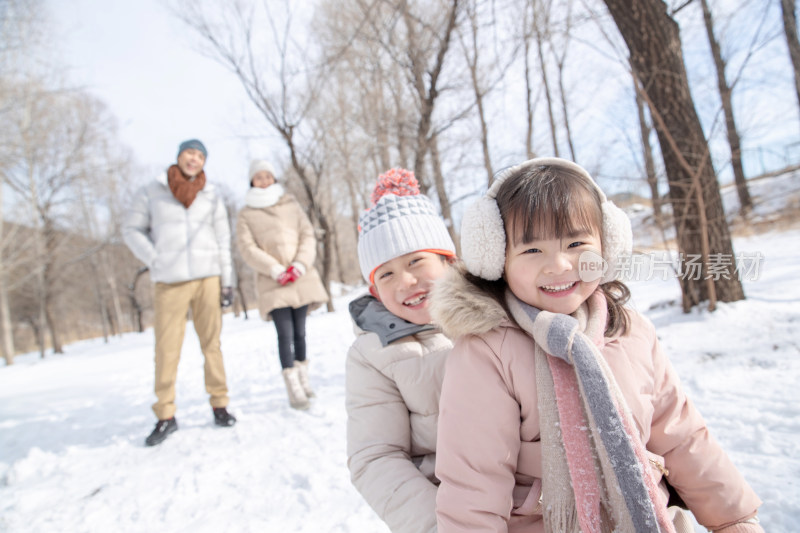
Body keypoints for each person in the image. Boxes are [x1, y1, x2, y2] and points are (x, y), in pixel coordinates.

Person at [430, 157, 764, 533]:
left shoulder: (632, 332)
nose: (559, 265)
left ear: (608, 245)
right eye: (531, 250)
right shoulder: (487, 352)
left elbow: (682, 435)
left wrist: (733, 519)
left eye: (576, 243)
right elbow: (474, 481)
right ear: (497, 260)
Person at [346, 168, 457, 533]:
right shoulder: (373, 355)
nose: (406, 282)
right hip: (448, 503)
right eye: (386, 275)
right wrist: (440, 524)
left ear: (447, 261)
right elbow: (376, 457)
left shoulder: (498, 317)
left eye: (415, 261)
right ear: (375, 291)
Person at [122, 139, 237, 447]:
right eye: (190, 153)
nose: (194, 159)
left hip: (208, 277)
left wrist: (227, 281)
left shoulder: (211, 195)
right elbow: (131, 229)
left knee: (212, 345)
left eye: (200, 155)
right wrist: (155, 258)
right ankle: (165, 414)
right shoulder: (152, 190)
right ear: (179, 155)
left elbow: (223, 239)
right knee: (166, 348)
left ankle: (220, 404)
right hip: (169, 281)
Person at [236, 159, 329, 410]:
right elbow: (247, 247)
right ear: (252, 180)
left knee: (300, 332)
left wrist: (299, 264)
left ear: (274, 178)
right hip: (273, 281)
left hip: (300, 276)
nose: (264, 180)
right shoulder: (246, 213)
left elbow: (307, 234)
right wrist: (274, 269)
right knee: (284, 334)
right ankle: (293, 387)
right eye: (259, 176)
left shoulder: (290, 204)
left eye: (268, 175)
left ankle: (304, 379)